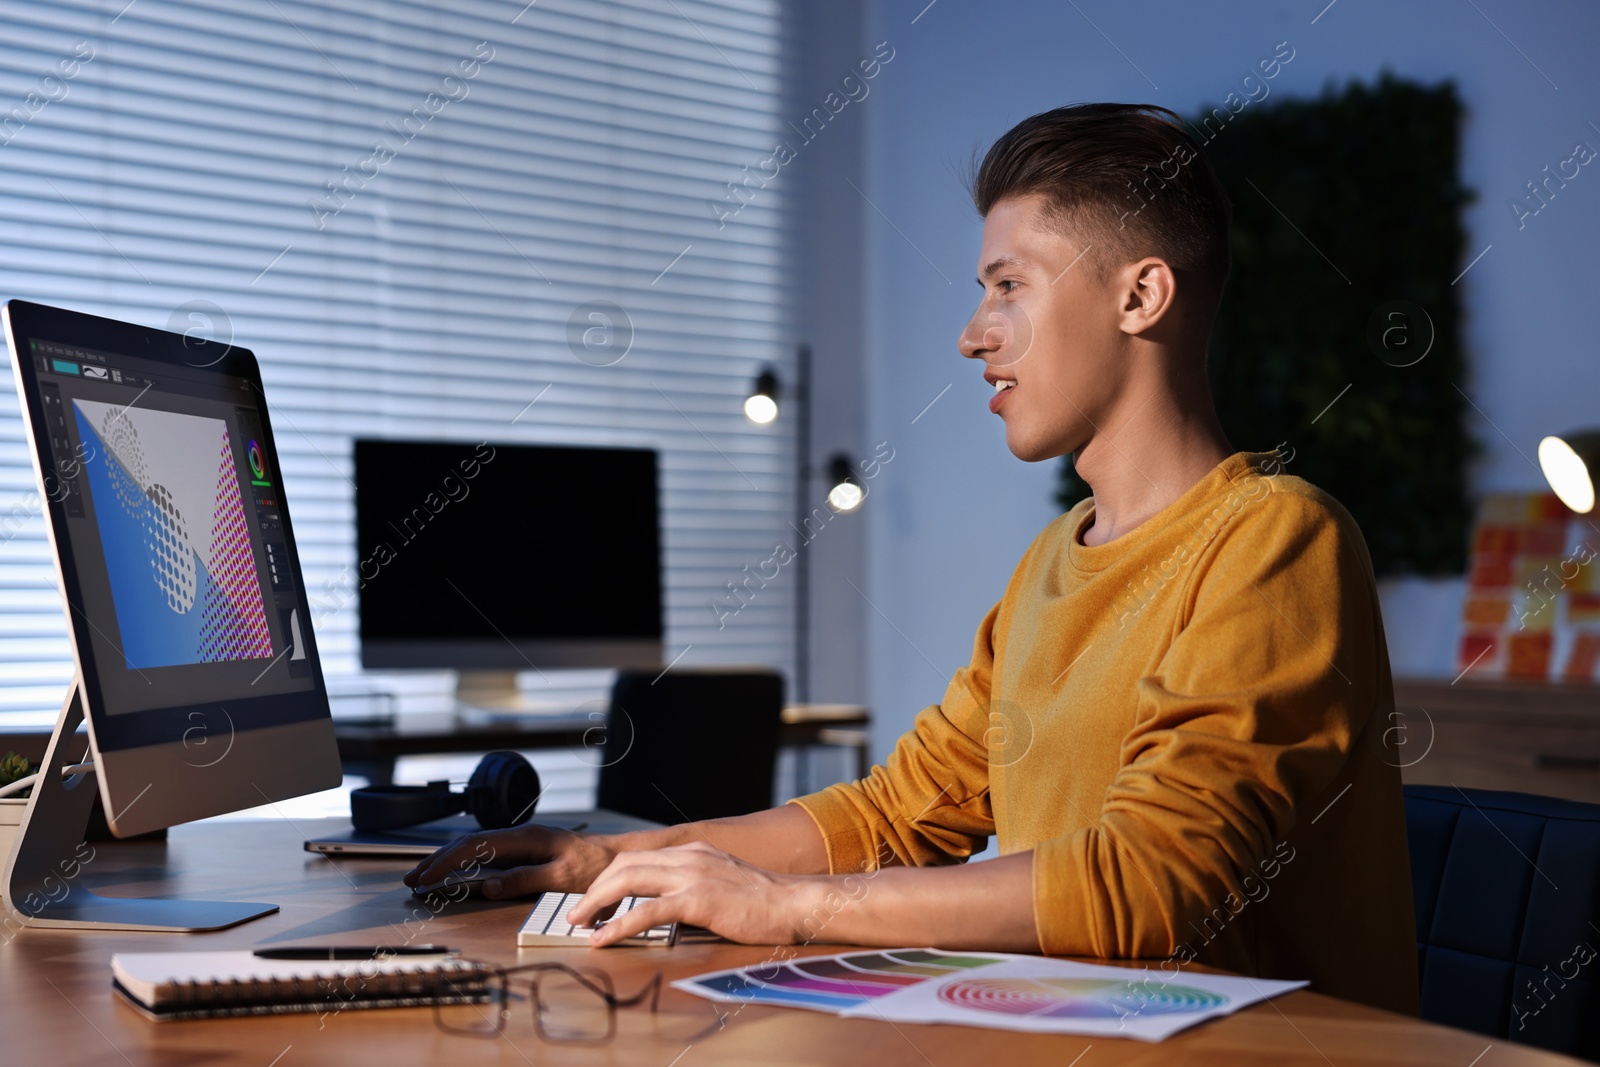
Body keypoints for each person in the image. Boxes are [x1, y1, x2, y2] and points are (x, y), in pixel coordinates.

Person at [406, 102, 1418, 1014]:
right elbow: (897, 812)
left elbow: (1149, 885)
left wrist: (782, 908)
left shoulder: (1279, 539)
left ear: (1139, 295)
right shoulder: (1048, 566)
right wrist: (604, 855)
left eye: (1007, 286)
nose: (974, 334)